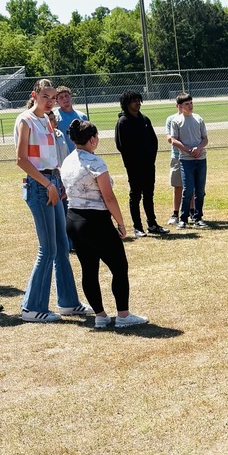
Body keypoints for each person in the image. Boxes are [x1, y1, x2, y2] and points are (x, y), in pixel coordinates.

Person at [13, 79, 92, 323]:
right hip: (40, 187)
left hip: (53, 183)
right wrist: (48, 185)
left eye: (52, 97)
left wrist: (59, 183)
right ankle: (32, 307)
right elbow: (21, 160)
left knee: (60, 248)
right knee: (47, 249)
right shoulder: (25, 120)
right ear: (34, 95)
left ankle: (68, 303)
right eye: (45, 96)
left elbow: (51, 158)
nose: (50, 101)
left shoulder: (47, 120)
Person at [61, 120, 148, 329]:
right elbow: (108, 197)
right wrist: (121, 223)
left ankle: (100, 316)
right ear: (92, 139)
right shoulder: (96, 162)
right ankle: (123, 316)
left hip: (73, 219)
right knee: (119, 267)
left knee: (89, 269)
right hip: (95, 221)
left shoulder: (67, 161)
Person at [114, 90, 167, 237]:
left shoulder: (145, 120)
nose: (137, 103)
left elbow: (153, 141)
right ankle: (137, 227)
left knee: (149, 194)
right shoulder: (123, 122)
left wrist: (150, 159)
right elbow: (121, 146)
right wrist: (134, 162)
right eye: (133, 100)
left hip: (148, 165)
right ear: (126, 103)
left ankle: (152, 224)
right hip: (134, 167)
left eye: (138, 99)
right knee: (135, 195)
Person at [165, 93, 209, 229]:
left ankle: (198, 217)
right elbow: (173, 139)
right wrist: (187, 149)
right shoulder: (176, 121)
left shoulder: (198, 119)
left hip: (200, 158)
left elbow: (205, 139)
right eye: (186, 104)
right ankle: (183, 218)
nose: (190, 106)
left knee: (200, 190)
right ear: (180, 106)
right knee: (188, 189)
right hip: (185, 160)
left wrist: (199, 148)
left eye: (191, 103)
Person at [53, 86, 87, 155]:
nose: (65, 99)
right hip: (63, 155)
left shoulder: (82, 116)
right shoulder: (54, 117)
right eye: (61, 97)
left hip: (81, 155)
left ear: (71, 97)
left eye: (66, 96)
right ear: (57, 101)